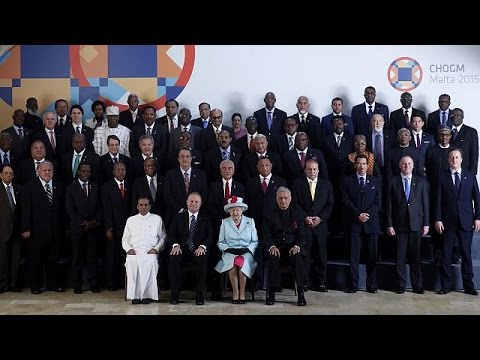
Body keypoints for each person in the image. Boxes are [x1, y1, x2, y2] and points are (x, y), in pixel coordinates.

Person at [434, 148, 480, 295]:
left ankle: (469, 286)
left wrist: (478, 217)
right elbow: (437, 201)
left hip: (467, 220)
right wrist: (438, 219)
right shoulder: (442, 177)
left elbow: (477, 199)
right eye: (451, 157)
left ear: (461, 159)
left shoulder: (470, 176)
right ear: (448, 160)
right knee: (446, 254)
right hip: (447, 222)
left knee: (466, 254)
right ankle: (446, 285)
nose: (454, 160)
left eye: (457, 157)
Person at [385, 156, 429, 294]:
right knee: (400, 258)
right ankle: (400, 284)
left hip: (416, 225)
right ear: (400, 166)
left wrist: (426, 223)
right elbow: (388, 206)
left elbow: (425, 204)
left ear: (413, 165)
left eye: (409, 164)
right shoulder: (392, 182)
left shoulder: (421, 182)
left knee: (415, 257)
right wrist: (389, 224)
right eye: (404, 164)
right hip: (399, 226)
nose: (407, 166)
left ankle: (417, 285)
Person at [21, 161, 66, 294]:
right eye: (44, 170)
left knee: (53, 259)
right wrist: (25, 228)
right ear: (38, 172)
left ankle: (53, 284)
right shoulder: (29, 187)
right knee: (36, 260)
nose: (47, 173)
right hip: (36, 232)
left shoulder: (59, 186)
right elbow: (25, 209)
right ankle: (36, 286)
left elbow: (62, 210)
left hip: (55, 231)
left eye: (49, 171)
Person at [341, 154, 382, 293]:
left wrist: (367, 215)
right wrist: (358, 214)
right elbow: (346, 202)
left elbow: (378, 203)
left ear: (368, 165)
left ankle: (371, 285)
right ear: (355, 165)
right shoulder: (347, 181)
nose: (362, 166)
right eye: (359, 163)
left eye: (364, 164)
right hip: (354, 223)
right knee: (354, 257)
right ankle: (353, 285)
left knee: (372, 257)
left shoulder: (375, 181)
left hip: (371, 223)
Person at [292, 159, 334, 292]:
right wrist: (305, 217)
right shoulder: (297, 184)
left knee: (321, 256)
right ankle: (305, 282)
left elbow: (330, 204)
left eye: (314, 169)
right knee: (305, 256)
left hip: (320, 226)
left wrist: (320, 218)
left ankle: (321, 282)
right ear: (305, 170)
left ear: (318, 170)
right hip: (304, 226)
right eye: (309, 169)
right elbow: (295, 204)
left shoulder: (326, 184)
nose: (312, 172)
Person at [263, 187, 307, 306]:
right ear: (276, 199)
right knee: (272, 257)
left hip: (292, 248)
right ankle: (271, 292)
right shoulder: (269, 214)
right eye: (280, 198)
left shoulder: (297, 213)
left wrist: (297, 246)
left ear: (290, 199)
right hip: (276, 248)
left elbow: (302, 235)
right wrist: (271, 246)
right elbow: (266, 235)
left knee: (298, 257)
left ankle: (301, 293)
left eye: (286, 198)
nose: (283, 201)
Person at [168, 192, 212, 305]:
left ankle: (199, 295)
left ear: (201, 203)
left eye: (196, 202)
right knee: (174, 258)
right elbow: (171, 235)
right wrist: (175, 245)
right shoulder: (178, 217)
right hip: (182, 249)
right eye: (191, 201)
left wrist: (203, 247)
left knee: (203, 259)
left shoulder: (205, 218)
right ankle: (175, 294)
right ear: (187, 202)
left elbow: (210, 236)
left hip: (198, 250)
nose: (193, 204)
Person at [65, 163, 101, 294]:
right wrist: (82, 222)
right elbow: (69, 209)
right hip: (77, 229)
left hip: (92, 229)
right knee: (77, 258)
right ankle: (77, 285)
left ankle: (94, 284)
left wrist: (94, 221)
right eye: (83, 171)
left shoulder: (95, 187)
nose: (86, 173)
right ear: (78, 172)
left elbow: (99, 207)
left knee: (92, 258)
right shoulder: (70, 188)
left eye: (88, 171)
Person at [122, 197, 166, 304]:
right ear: (137, 206)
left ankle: (147, 295)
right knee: (132, 262)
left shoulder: (157, 219)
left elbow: (163, 237)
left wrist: (156, 249)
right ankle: (135, 296)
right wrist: (128, 249)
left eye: (146, 205)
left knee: (149, 262)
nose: (143, 207)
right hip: (134, 250)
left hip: (150, 251)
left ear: (150, 206)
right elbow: (125, 238)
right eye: (141, 205)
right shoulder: (131, 220)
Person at [215, 196, 258, 304]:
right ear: (229, 211)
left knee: (242, 263)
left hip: (246, 253)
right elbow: (220, 242)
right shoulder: (224, 222)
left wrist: (247, 250)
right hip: (230, 252)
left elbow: (255, 242)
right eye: (232, 210)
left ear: (241, 210)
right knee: (233, 264)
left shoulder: (250, 221)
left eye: (237, 209)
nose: (235, 212)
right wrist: (228, 249)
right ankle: (235, 292)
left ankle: (242, 292)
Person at [0, 165, 23, 292]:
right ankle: (2, 284)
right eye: (6, 173)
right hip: (2, 230)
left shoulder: (19, 189)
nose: (8, 175)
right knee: (2, 259)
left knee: (16, 259)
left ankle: (13, 284)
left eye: (11, 173)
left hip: (16, 231)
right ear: (1, 175)